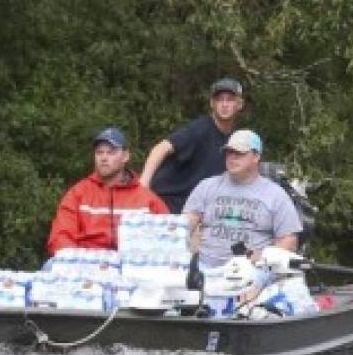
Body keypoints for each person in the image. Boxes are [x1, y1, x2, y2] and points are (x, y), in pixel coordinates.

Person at [183, 129, 303, 269]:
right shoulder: (206, 186)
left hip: (252, 273)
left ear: (256, 156)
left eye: (239, 153)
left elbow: (289, 241)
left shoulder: (276, 195)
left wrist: (264, 260)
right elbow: (184, 225)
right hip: (205, 271)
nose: (232, 158)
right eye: (229, 152)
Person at [46, 127, 169, 256]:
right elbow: (60, 236)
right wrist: (77, 261)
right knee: (49, 267)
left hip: (131, 267)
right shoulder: (78, 194)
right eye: (99, 153)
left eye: (111, 152)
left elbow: (167, 237)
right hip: (84, 265)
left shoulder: (147, 199)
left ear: (125, 156)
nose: (104, 158)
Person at [140, 77, 246, 214]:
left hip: (197, 209)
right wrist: (143, 184)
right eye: (219, 99)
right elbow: (161, 148)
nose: (224, 104)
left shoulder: (233, 140)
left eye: (230, 99)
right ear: (212, 104)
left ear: (240, 104)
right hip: (168, 203)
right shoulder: (199, 129)